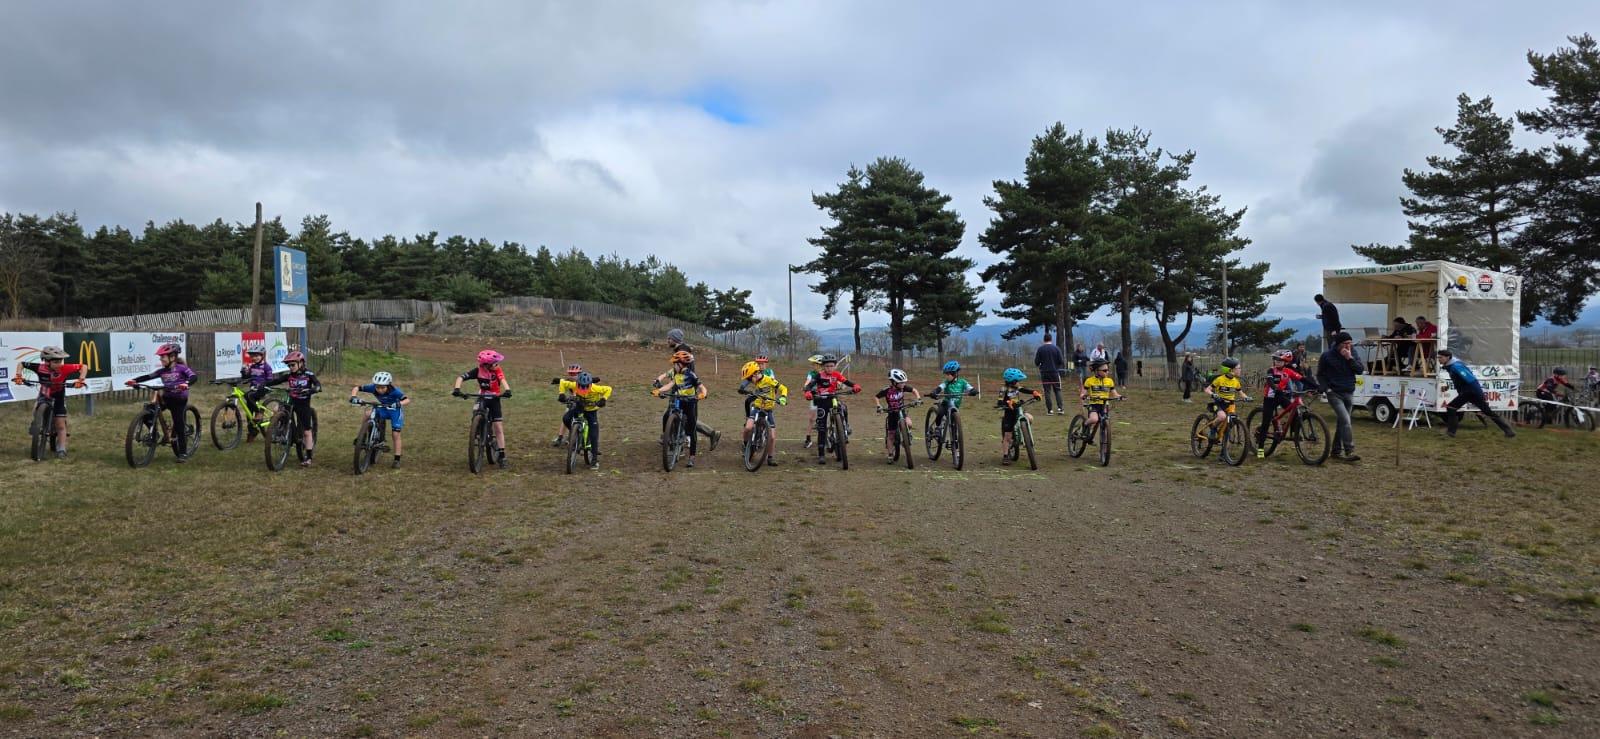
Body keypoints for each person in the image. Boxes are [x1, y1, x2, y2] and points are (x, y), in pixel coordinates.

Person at [124, 343, 198, 463]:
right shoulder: (162, 371)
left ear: (172, 357)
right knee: (149, 410)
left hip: (179, 399)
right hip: (167, 398)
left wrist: (186, 384)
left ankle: (183, 453)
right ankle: (154, 434)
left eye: (163, 357)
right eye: (160, 357)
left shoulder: (182, 368)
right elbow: (148, 376)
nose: (161, 359)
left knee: (179, 424)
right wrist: (135, 381)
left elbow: (193, 376)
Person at [14, 345, 88, 458]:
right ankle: (37, 424)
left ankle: (61, 449)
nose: (59, 364)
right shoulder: (39, 368)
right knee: (36, 410)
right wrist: (19, 376)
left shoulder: (65, 368)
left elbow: (84, 366)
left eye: (60, 361)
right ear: (47, 362)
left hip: (59, 397)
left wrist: (80, 380)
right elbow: (21, 364)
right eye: (56, 362)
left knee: (60, 425)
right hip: (44, 394)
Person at [453, 349, 512, 468]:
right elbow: (461, 377)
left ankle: (502, 454)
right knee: (476, 411)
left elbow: (503, 380)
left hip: (495, 398)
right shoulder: (478, 371)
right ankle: (477, 429)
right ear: (486, 365)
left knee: (498, 427)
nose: (497, 364)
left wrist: (507, 390)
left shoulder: (497, 370)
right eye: (495, 363)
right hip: (483, 397)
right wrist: (457, 389)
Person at [665, 328, 720, 451]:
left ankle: (679, 441)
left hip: (685, 389)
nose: (667, 340)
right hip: (682, 388)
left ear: (675, 339)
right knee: (676, 415)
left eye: (669, 338)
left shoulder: (682, 351)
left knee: (682, 417)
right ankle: (672, 439)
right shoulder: (681, 349)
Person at [1439, 349, 1515, 438]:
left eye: (1441, 357)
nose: (1439, 359)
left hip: (1469, 392)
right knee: (1488, 412)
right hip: (1471, 392)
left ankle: (1451, 433)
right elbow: (1460, 380)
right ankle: (1509, 431)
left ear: (1448, 357)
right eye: (1438, 357)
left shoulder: (1456, 366)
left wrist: (1473, 392)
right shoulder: (1452, 365)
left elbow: (1470, 379)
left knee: (1451, 408)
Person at [265, 350, 323, 467]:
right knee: (277, 409)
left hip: (303, 403)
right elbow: (276, 381)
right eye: (289, 365)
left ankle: (309, 457)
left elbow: (318, 385)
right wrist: (264, 384)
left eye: (293, 365)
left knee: (307, 432)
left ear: (301, 363)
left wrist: (312, 389)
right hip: (291, 401)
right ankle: (280, 431)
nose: (290, 367)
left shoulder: (308, 374)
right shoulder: (290, 375)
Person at [1255, 349, 1316, 457]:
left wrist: (1316, 386)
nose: (1277, 362)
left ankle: (1294, 434)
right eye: (1276, 360)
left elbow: (1302, 379)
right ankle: (1260, 448)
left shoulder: (1288, 371)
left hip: (1280, 396)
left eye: (1280, 360)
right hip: (1269, 398)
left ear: (1286, 362)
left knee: (1295, 412)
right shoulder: (1271, 370)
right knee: (1266, 422)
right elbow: (1270, 381)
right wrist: (1275, 388)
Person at [802, 354, 861, 464]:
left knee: (843, 407)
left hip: (833, 398)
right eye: (827, 366)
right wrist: (808, 392)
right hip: (822, 401)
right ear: (823, 367)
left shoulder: (837, 375)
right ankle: (821, 454)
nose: (829, 368)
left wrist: (855, 386)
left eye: (832, 366)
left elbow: (846, 381)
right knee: (822, 428)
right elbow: (809, 386)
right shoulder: (819, 376)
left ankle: (845, 426)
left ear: (835, 366)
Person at [1315, 332, 1364, 461]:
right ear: (1338, 344)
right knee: (1346, 421)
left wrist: (1350, 358)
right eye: (1345, 344)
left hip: (1349, 391)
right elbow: (1320, 374)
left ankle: (1336, 451)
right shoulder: (1327, 356)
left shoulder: (1352, 353)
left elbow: (1359, 370)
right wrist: (1327, 389)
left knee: (1342, 423)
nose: (1348, 346)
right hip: (1334, 393)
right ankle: (1349, 451)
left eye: (1350, 343)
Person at [654, 350, 707, 467]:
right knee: (671, 414)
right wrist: (659, 390)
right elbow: (670, 385)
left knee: (691, 430)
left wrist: (702, 394)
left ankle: (692, 456)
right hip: (679, 400)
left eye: (675, 364)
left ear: (680, 364)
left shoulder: (691, 375)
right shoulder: (677, 375)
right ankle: (672, 433)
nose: (673, 366)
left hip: (690, 402)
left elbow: (702, 387)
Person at [350, 371, 410, 468]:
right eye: (377, 387)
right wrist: (353, 397)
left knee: (395, 434)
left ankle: (397, 459)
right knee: (367, 414)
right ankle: (362, 436)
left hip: (395, 411)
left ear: (388, 385)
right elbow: (357, 387)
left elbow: (407, 400)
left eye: (383, 387)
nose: (380, 390)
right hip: (383, 407)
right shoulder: (373, 387)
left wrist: (399, 404)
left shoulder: (395, 391)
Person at [556, 371, 612, 469]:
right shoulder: (574, 384)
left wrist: (603, 399)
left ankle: (594, 460)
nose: (583, 388)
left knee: (594, 434)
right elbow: (562, 382)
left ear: (590, 384)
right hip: (579, 407)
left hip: (591, 411)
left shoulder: (596, 388)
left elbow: (609, 389)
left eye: (586, 386)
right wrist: (561, 394)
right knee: (566, 418)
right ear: (577, 384)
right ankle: (575, 434)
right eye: (581, 386)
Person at [738, 360, 788, 467]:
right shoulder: (754, 378)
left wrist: (783, 397)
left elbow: (783, 388)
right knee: (748, 428)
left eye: (751, 377)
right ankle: (747, 446)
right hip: (757, 406)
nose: (751, 381)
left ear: (756, 373)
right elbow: (745, 382)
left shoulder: (769, 380)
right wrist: (742, 389)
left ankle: (770, 457)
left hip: (768, 409)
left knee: (772, 437)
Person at [1200, 358, 1250, 452]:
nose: (1240, 370)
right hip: (1219, 403)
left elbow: (1241, 393)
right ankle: (1213, 429)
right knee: (1222, 417)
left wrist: (1246, 397)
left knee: (1229, 425)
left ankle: (1223, 453)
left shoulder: (1236, 381)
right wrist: (1213, 394)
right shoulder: (1220, 379)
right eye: (1238, 368)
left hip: (1231, 405)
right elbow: (1207, 389)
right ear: (1230, 370)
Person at [994, 368, 1041, 463]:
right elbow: (999, 402)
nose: (1019, 383)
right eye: (1018, 381)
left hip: (1018, 410)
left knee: (1030, 418)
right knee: (1007, 436)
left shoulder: (1017, 387)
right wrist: (1007, 403)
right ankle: (1006, 455)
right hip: (1009, 413)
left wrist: (1034, 392)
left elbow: (1024, 389)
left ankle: (1025, 434)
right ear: (1012, 381)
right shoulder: (1004, 389)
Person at [873, 368, 920, 462]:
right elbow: (876, 397)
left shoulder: (903, 387)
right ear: (894, 382)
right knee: (891, 435)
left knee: (909, 424)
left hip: (902, 410)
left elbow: (914, 390)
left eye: (904, 382)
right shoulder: (887, 390)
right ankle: (890, 454)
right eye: (901, 382)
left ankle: (908, 435)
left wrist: (918, 398)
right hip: (892, 413)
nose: (903, 384)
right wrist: (879, 406)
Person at [928, 360, 980, 440]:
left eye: (949, 374)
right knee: (940, 412)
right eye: (946, 374)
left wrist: (973, 391)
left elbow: (970, 388)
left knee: (954, 424)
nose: (947, 376)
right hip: (946, 404)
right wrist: (934, 392)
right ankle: (938, 428)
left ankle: (955, 443)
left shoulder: (962, 382)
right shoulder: (946, 382)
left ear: (955, 373)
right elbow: (940, 387)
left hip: (955, 406)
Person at [239, 344, 276, 441]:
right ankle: (253, 431)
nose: (254, 358)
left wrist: (263, 384)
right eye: (252, 356)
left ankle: (259, 413)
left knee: (248, 395)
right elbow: (246, 377)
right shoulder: (252, 366)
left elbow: (270, 379)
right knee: (249, 412)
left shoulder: (266, 367)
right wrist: (244, 371)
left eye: (257, 356)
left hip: (263, 389)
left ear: (262, 356)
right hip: (254, 389)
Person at [1078, 360, 1122, 438]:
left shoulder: (1109, 381)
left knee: (1104, 422)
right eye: (1104, 370)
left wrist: (1119, 396)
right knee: (1094, 419)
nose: (1107, 372)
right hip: (1094, 404)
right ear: (1096, 371)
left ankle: (1104, 443)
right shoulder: (1089, 381)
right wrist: (1083, 395)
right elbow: (1083, 392)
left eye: (1108, 370)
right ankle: (1084, 424)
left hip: (1104, 405)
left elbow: (1114, 393)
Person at [548, 364, 585, 446]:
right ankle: (560, 437)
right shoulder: (569, 381)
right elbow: (563, 383)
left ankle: (576, 436)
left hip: (583, 402)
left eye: (574, 374)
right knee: (565, 417)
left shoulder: (584, 381)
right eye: (570, 374)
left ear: (579, 374)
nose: (572, 376)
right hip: (573, 401)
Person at [1033, 332, 1066, 414]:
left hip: (1044, 373)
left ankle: (1050, 410)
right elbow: (1061, 361)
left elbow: (1036, 362)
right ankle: (1060, 408)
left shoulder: (1040, 349)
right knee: (1057, 390)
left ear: (1044, 339)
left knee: (1047, 391)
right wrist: (1056, 366)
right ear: (1051, 339)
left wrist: (1042, 364)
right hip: (1054, 372)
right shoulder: (1056, 348)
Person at [801, 354, 825, 449]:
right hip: (815, 397)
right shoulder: (812, 373)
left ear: (819, 365)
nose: (812, 366)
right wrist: (805, 386)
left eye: (814, 364)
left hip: (826, 397)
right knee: (811, 419)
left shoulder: (826, 372)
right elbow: (808, 381)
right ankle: (808, 439)